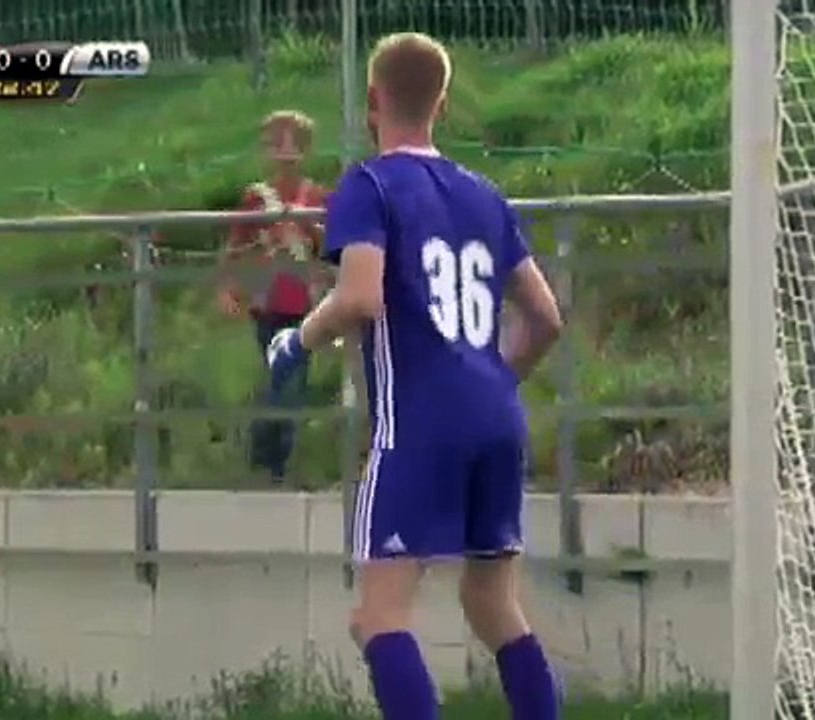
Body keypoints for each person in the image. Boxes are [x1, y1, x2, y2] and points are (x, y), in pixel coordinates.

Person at [264, 32, 564, 720]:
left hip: (420, 430)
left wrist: (296, 340)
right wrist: (492, 382)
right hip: (496, 421)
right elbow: (546, 318)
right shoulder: (484, 195)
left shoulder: (367, 186)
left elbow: (362, 296)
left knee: (379, 618)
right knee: (493, 604)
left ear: (373, 102)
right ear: (443, 105)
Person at [218, 110, 329, 483]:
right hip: (268, 304)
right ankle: (270, 461)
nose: (283, 152)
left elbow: (331, 246)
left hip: (305, 304)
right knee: (283, 380)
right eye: (275, 143)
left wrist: (308, 225)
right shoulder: (257, 198)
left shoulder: (315, 196)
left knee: (290, 382)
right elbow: (235, 245)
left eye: (291, 143)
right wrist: (229, 288)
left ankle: (270, 459)